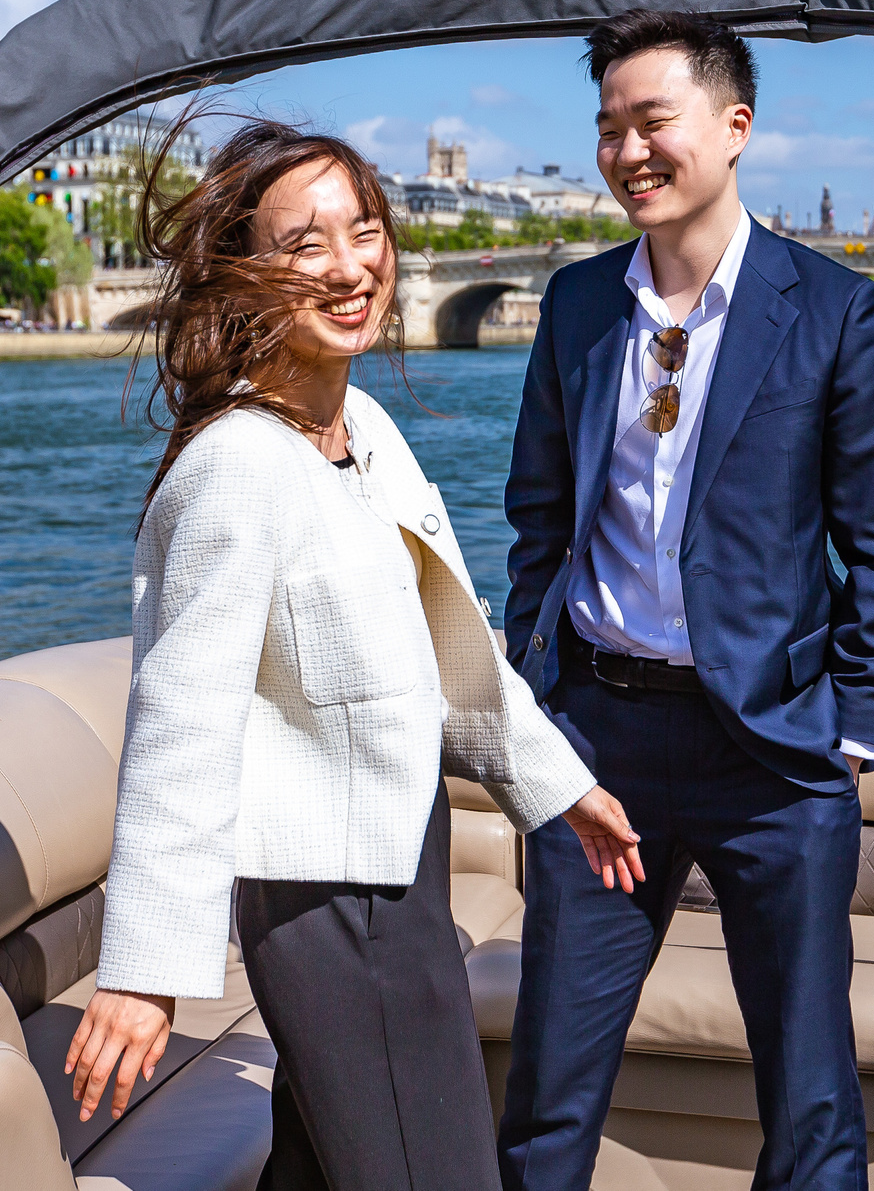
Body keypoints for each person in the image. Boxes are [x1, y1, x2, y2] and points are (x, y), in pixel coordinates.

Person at [66, 117, 644, 1191]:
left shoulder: (365, 428)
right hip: (332, 907)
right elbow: (183, 724)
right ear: (244, 278)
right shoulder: (238, 466)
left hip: (399, 869)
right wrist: (144, 973)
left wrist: (559, 786)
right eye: (305, 245)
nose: (350, 266)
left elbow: (447, 648)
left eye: (365, 230)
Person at [496, 11, 874, 1191]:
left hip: (774, 755)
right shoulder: (577, 305)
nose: (627, 150)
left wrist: (852, 734)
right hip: (601, 741)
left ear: (734, 127)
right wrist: (536, 700)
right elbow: (537, 518)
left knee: (809, 1097)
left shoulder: (834, 311)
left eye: (652, 122)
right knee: (546, 1086)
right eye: (607, 129)